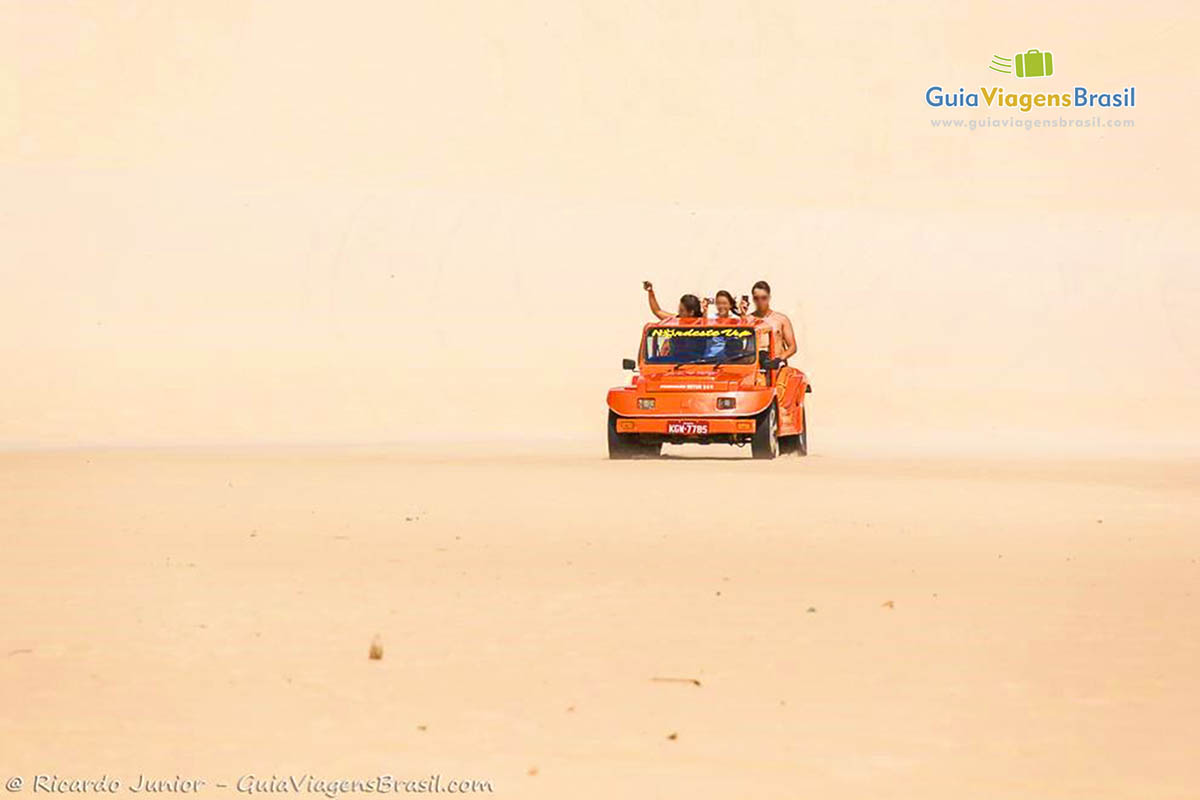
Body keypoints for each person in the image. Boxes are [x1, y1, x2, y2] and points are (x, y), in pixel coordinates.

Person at [746, 280, 797, 362]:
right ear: (753, 299)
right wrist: (742, 314)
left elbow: (792, 347)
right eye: (756, 298)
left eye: (763, 298)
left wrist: (779, 359)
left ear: (769, 297)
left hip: (776, 366)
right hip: (755, 367)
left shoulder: (781, 319)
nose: (760, 301)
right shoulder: (748, 320)